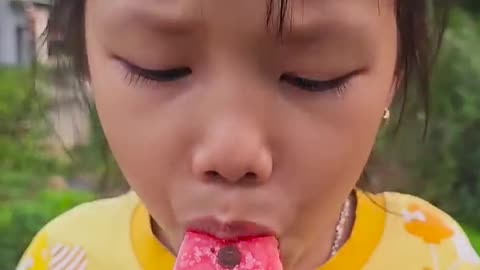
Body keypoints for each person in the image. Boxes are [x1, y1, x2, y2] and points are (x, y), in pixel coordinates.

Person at [17, 0, 480, 269]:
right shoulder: (64, 257)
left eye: (313, 77)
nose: (232, 152)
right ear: (89, 66)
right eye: (157, 67)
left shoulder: (435, 256)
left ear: (393, 78)